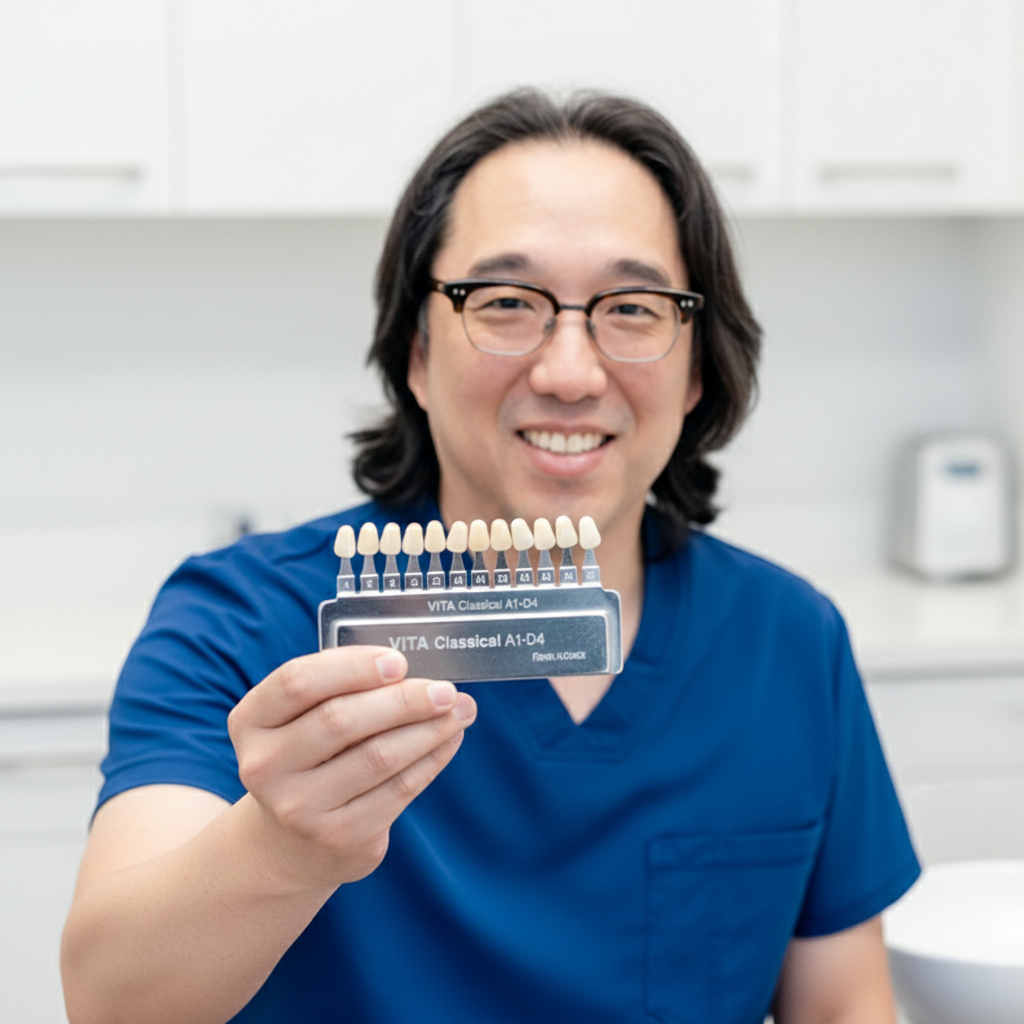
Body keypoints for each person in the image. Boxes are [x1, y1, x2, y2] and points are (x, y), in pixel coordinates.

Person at [61, 90, 919, 1024]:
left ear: (697, 367)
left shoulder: (787, 643)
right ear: (417, 354)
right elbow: (111, 1002)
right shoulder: (241, 621)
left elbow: (842, 1007)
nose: (569, 371)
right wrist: (282, 850)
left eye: (631, 308)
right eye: (506, 302)